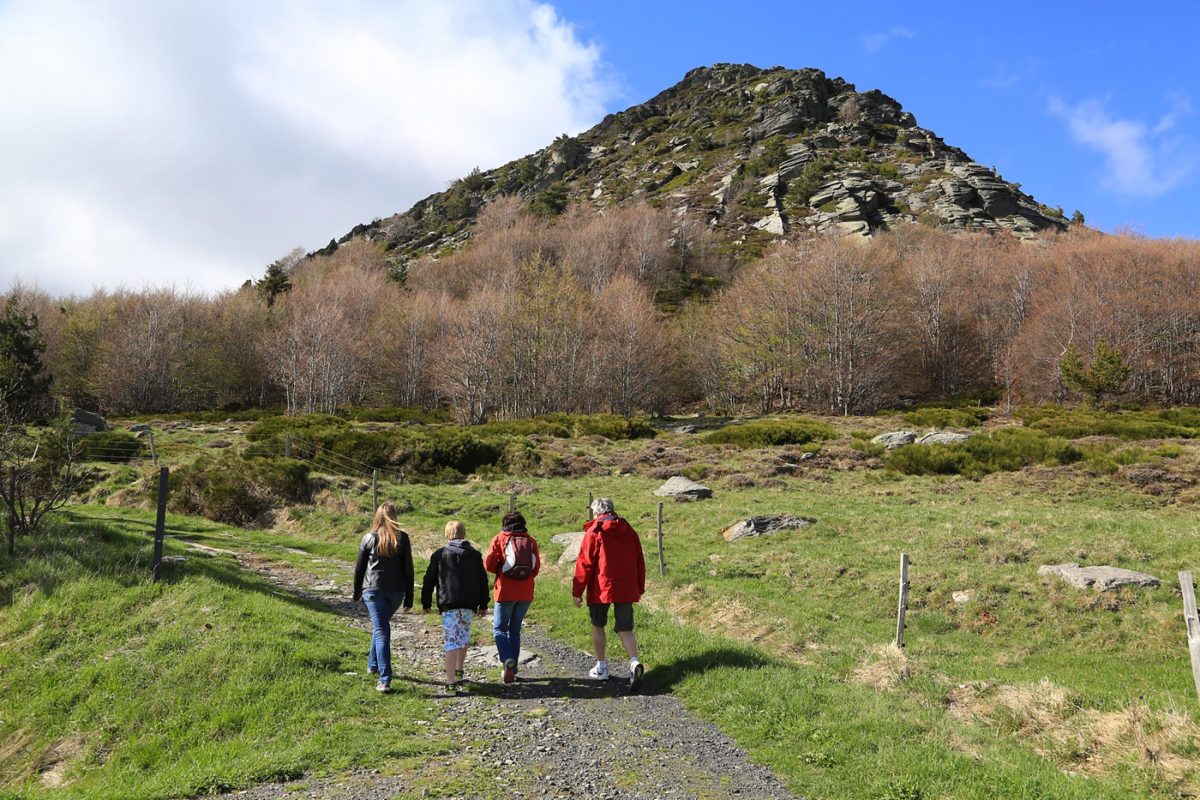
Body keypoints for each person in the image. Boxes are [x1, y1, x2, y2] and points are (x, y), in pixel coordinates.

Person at [572, 497, 647, 688]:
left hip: (601, 586)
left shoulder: (594, 531)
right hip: (626, 586)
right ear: (612, 510)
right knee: (625, 628)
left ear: (596, 512)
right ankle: (633, 661)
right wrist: (639, 585)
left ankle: (602, 667)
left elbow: (585, 563)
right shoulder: (629, 530)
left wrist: (577, 590)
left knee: (598, 625)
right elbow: (639, 559)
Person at [352, 501, 414, 694]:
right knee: (381, 627)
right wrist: (410, 597)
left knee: (381, 630)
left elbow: (359, 569)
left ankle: (385, 679)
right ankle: (372, 665)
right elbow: (409, 570)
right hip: (396, 592)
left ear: (377, 517)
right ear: (395, 517)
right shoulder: (402, 538)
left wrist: (356, 592)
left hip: (373, 590)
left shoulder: (369, 538)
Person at [421, 520, 488, 695]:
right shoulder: (475, 555)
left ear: (447, 535)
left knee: (451, 641)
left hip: (449, 603)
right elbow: (483, 580)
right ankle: (459, 670)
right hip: (469, 603)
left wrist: (426, 602)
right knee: (463, 635)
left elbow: (429, 580)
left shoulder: (440, 554)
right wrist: (484, 604)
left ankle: (450, 683)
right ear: (464, 534)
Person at [484, 510, 541, 684]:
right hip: (525, 592)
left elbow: (489, 564)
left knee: (499, 629)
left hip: (505, 591)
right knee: (515, 630)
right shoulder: (531, 541)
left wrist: (501, 571)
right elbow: (536, 569)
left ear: (505, 524)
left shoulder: (500, 538)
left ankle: (507, 659)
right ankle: (513, 670)